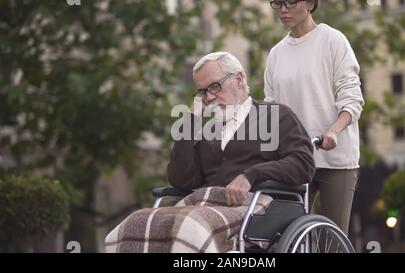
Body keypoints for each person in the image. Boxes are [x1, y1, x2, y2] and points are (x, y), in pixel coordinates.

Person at [105, 52, 315, 253]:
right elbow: (182, 180)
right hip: (206, 203)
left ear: (239, 80)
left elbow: (303, 164)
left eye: (215, 86)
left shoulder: (276, 116)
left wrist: (251, 175)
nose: (209, 97)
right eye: (203, 91)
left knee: (191, 227)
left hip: (257, 206)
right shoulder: (209, 129)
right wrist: (190, 121)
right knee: (135, 224)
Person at [264, 0, 365, 235]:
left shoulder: (332, 40)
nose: (283, 9)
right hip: (293, 160)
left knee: (332, 237)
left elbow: (352, 96)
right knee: (287, 237)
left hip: (334, 159)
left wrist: (334, 130)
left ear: (310, 3)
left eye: (290, 2)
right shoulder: (276, 53)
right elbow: (271, 108)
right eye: (277, 3)